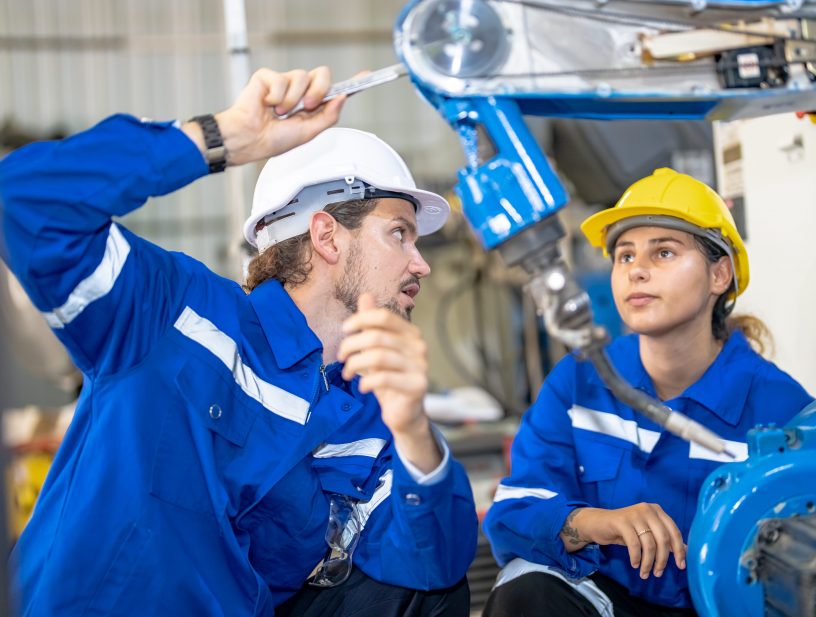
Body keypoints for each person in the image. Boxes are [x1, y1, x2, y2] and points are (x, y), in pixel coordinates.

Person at [0, 66, 478, 617]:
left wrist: (416, 431)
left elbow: (432, 567)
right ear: (327, 236)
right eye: (399, 232)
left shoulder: (372, 413)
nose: (421, 263)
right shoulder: (171, 312)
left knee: (433, 597)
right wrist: (219, 136)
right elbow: (25, 202)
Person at [481, 168, 814, 617]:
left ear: (720, 274)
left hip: (722, 608)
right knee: (525, 588)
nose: (637, 271)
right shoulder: (580, 382)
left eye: (664, 253)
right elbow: (514, 511)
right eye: (624, 256)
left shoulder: (778, 407)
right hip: (611, 601)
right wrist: (594, 523)